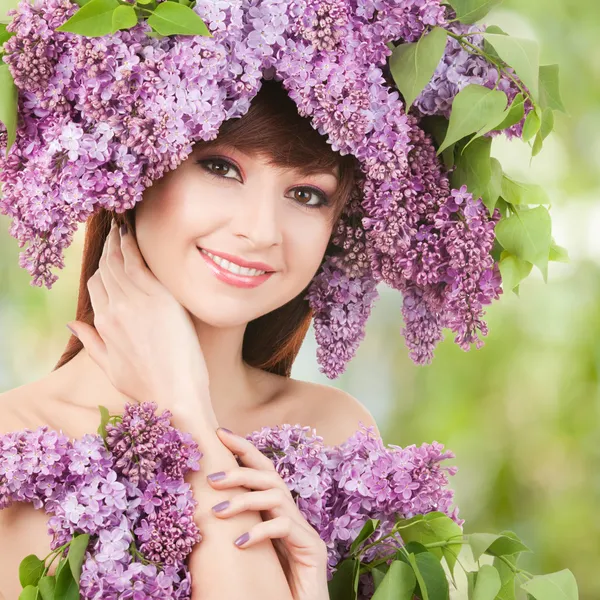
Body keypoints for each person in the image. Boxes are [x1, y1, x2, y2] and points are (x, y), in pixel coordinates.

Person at [0, 79, 380, 600]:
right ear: (129, 170)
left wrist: (188, 417)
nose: (263, 230)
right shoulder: (14, 452)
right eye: (222, 167)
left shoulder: (334, 433)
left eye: (306, 194)